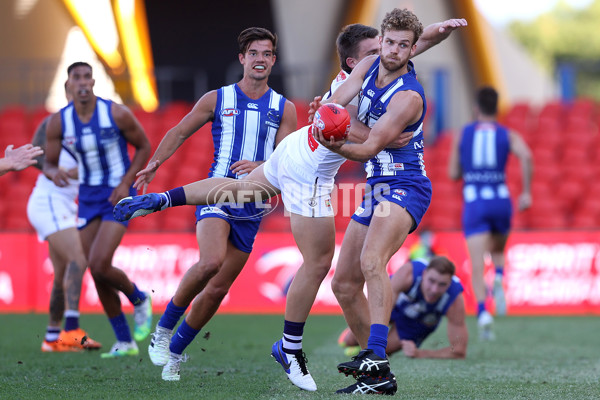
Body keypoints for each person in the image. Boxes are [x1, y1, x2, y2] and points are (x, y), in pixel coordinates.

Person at [115, 16, 465, 390]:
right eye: (382, 45)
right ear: (357, 59)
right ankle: (296, 347)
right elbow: (364, 143)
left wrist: (436, 34)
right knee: (320, 263)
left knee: (250, 198)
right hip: (316, 173)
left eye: (396, 45)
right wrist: (345, 132)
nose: (387, 51)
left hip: (298, 152)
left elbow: (404, 52)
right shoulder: (371, 70)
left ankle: (164, 199)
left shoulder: (387, 78)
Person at [128, 27, 297, 382]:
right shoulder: (217, 98)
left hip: (253, 203)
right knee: (210, 262)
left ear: (273, 60)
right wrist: (156, 163)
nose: (260, 59)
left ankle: (174, 352)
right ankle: (162, 330)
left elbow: (286, 159)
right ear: (242, 58)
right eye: (254, 53)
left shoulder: (285, 108)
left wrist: (262, 169)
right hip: (217, 193)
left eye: (267, 53)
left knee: (218, 289)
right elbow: (178, 131)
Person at [43, 61, 153, 358]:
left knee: (100, 262)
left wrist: (126, 182)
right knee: (95, 268)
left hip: (118, 194)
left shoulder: (115, 112)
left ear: (93, 82)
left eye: (87, 77)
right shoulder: (59, 122)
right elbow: (49, 162)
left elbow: (144, 146)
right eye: (76, 77)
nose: (82, 82)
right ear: (68, 84)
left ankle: (139, 298)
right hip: (88, 197)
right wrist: (53, 172)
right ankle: (125, 341)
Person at [448, 86, 532, 340]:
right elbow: (526, 156)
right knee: (497, 249)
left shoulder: (463, 134)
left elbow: (453, 173)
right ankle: (498, 276)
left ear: (476, 108)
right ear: (496, 108)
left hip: (475, 201)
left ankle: (484, 313)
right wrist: (526, 192)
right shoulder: (508, 134)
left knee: (476, 264)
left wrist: (467, 169)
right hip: (501, 200)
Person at [27, 87, 102, 352]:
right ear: (67, 94)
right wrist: (55, 169)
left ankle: (51, 338)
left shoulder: (96, 128)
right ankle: (71, 331)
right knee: (79, 258)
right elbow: (33, 154)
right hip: (48, 200)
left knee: (61, 275)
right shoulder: (53, 123)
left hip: (66, 205)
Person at [338, 256, 468, 360]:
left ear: (450, 283)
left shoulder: (454, 298)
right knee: (353, 340)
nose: (434, 290)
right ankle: (350, 338)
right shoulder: (409, 272)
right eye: (431, 281)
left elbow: (459, 351)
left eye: (442, 284)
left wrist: (420, 353)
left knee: (383, 351)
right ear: (424, 274)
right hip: (393, 306)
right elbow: (383, 304)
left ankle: (361, 346)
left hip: (416, 323)